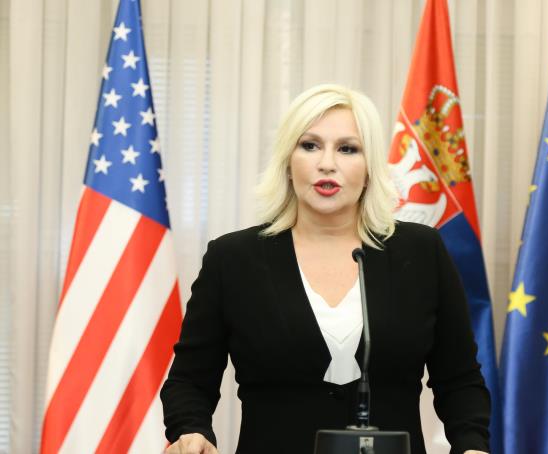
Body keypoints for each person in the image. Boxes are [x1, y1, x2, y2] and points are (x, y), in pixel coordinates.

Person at [160, 84, 491, 454]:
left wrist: (471, 445)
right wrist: (191, 429)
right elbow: (189, 381)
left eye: (347, 149)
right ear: (288, 162)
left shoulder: (422, 251)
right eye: (310, 145)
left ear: (370, 167)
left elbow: (460, 380)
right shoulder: (233, 259)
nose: (327, 163)